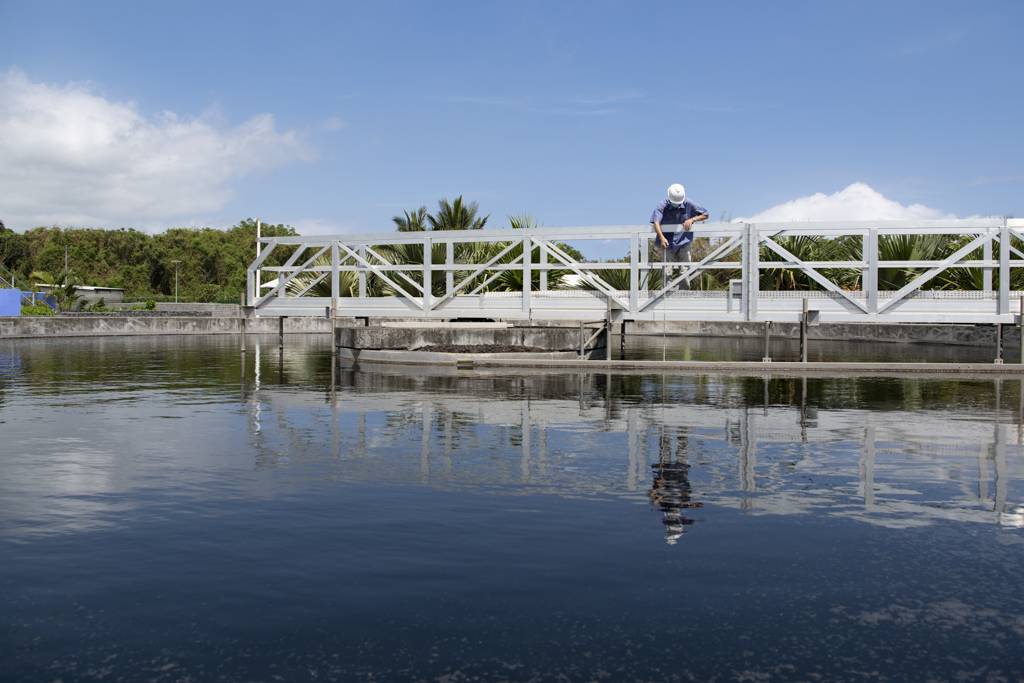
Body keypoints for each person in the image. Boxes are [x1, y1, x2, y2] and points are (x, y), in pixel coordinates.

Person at [651, 184, 708, 290]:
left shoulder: (689, 203)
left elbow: (705, 214)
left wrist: (692, 219)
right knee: (667, 270)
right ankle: (666, 294)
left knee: (685, 269)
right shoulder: (662, 205)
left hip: (683, 240)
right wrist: (662, 238)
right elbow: (656, 222)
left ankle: (684, 295)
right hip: (667, 241)